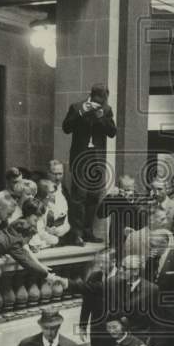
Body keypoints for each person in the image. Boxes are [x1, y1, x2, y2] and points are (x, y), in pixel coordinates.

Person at [62, 83, 117, 242]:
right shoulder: (76, 107)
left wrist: (101, 118)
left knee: (93, 196)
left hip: (97, 159)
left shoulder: (106, 110)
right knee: (78, 196)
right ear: (92, 96)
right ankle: (76, 234)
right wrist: (81, 113)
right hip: (81, 157)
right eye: (100, 99)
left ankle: (88, 232)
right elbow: (66, 128)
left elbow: (112, 132)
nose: (102, 103)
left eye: (104, 100)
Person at [96, 175, 148, 259]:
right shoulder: (116, 199)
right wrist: (109, 197)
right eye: (123, 189)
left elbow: (143, 218)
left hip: (135, 244)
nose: (126, 192)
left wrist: (130, 203)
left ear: (134, 187)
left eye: (128, 189)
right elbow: (100, 214)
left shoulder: (141, 200)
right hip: (117, 244)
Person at [46, 159, 76, 245]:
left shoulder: (64, 191)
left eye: (60, 174)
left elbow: (69, 214)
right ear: (48, 173)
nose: (58, 177)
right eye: (55, 174)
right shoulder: (42, 190)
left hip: (62, 232)